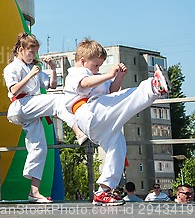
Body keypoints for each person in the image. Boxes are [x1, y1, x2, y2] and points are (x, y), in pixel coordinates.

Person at [63, 38, 171, 206]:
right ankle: (153, 86)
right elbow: (84, 84)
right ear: (83, 60)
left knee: (118, 147)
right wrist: (109, 74)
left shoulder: (96, 75)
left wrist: (118, 77)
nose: (97, 69)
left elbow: (112, 91)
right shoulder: (76, 73)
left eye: (100, 66)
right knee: (125, 98)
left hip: (99, 118)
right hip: (87, 111)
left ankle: (104, 190)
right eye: (95, 65)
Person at [3, 33, 88, 203]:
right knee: (57, 100)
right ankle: (78, 131)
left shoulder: (32, 67)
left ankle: (34, 192)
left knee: (39, 147)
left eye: (35, 53)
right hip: (20, 105)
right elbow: (13, 91)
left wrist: (53, 68)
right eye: (31, 52)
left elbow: (52, 85)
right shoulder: (12, 68)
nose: (34, 56)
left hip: (32, 108)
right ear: (21, 50)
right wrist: (30, 75)